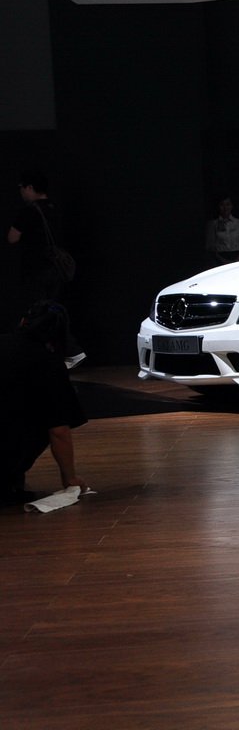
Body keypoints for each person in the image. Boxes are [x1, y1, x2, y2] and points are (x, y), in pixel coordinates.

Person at [0, 301, 88, 506]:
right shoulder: (48, 364)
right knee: (37, 424)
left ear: (23, 321)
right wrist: (70, 479)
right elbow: (59, 431)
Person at [7, 170, 86, 368]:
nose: (21, 192)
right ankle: (56, 355)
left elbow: (12, 238)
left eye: (22, 188)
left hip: (37, 270)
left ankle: (69, 351)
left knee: (36, 314)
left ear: (30, 188)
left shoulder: (29, 211)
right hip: (56, 270)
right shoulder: (55, 209)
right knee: (52, 313)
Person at [205, 195, 239, 266]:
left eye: (227, 204)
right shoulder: (213, 224)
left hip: (237, 257)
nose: (225, 208)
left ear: (232, 206)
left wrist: (237, 261)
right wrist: (224, 261)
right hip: (220, 260)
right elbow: (210, 247)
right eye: (222, 205)